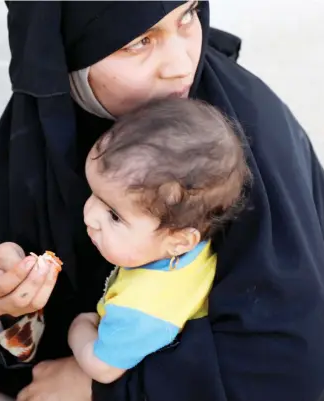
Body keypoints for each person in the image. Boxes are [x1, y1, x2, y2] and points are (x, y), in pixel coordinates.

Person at [0, 1, 324, 401]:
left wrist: (99, 389)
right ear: (67, 53)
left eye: (188, 15)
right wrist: (7, 311)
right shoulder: (35, 136)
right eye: (139, 41)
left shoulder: (234, 140)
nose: (181, 64)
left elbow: (285, 360)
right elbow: (7, 342)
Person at [67, 98, 250, 384]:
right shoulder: (186, 240)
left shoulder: (141, 310)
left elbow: (102, 369)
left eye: (114, 216)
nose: (89, 216)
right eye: (94, 194)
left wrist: (80, 327)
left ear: (179, 241)